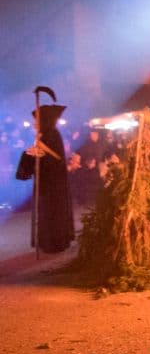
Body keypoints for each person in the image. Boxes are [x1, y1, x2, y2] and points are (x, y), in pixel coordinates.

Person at [16, 99, 74, 253]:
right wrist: (30, 154)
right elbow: (40, 156)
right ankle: (46, 242)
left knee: (52, 213)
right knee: (45, 212)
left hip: (53, 185)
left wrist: (39, 153)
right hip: (45, 183)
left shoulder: (52, 135)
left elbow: (55, 160)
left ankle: (54, 243)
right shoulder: (44, 135)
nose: (35, 124)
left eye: (37, 120)